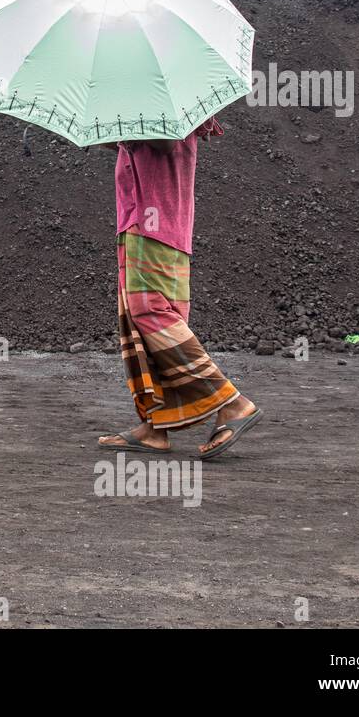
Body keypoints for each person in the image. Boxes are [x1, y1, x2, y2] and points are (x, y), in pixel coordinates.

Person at [96, 117, 262, 461]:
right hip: (144, 221)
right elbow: (137, 145)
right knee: (144, 323)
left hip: (154, 224)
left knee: (151, 312)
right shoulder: (153, 92)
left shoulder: (160, 94)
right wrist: (103, 133)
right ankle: (156, 427)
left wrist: (123, 120)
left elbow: (165, 138)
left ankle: (232, 404)